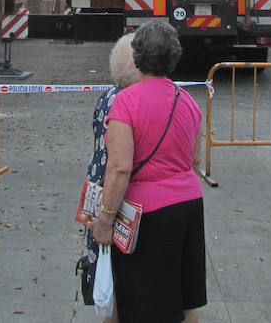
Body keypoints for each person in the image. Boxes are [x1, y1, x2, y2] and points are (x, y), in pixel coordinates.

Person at [89, 20, 206, 323]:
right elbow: (195, 162)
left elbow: (119, 167)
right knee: (184, 297)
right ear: (174, 57)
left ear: (137, 56)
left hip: (145, 214)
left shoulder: (126, 102)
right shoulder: (189, 102)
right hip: (188, 206)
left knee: (136, 301)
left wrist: (104, 220)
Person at [84, 34, 140, 319]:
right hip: (117, 199)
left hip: (99, 193)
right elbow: (120, 165)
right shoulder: (130, 103)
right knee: (120, 278)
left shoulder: (107, 96)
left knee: (108, 273)